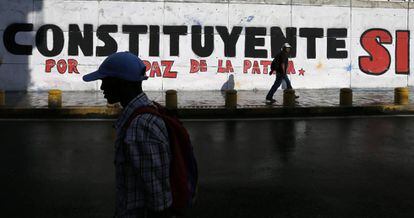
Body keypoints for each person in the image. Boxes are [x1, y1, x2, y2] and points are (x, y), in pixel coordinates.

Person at [83, 52, 173, 218]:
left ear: (121, 83)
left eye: (105, 81)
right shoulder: (140, 114)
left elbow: (159, 200)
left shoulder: (141, 126)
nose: (102, 87)